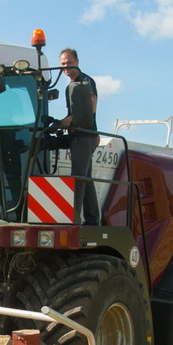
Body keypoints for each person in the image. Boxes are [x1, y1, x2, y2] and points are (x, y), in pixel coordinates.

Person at [58, 47, 100, 225]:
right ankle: (92, 219)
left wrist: (71, 119)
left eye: (69, 63)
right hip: (78, 135)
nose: (66, 67)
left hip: (84, 135)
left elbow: (91, 108)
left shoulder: (85, 82)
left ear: (77, 62)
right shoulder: (70, 85)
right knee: (86, 178)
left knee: (78, 178)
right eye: (62, 64)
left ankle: (72, 220)